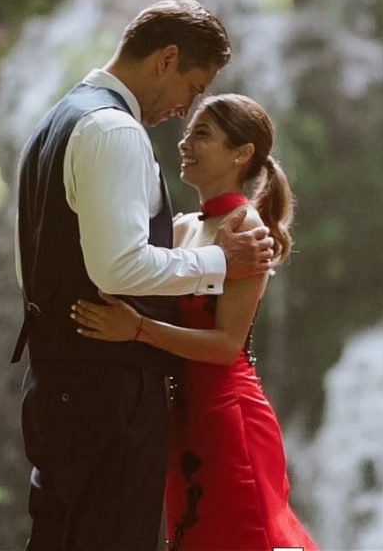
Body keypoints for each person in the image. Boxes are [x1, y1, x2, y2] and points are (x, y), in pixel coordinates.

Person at [13, 0, 275, 551]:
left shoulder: (55, 122)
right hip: (107, 387)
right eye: (193, 87)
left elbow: (30, 263)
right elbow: (118, 265)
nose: (186, 109)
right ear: (166, 59)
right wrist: (220, 263)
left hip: (52, 377)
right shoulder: (114, 131)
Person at [72, 93, 318, 551]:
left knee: (246, 535)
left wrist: (137, 329)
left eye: (202, 134)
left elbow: (226, 345)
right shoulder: (183, 227)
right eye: (188, 133)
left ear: (241, 153)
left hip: (228, 413)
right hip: (184, 415)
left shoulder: (249, 231)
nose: (186, 142)